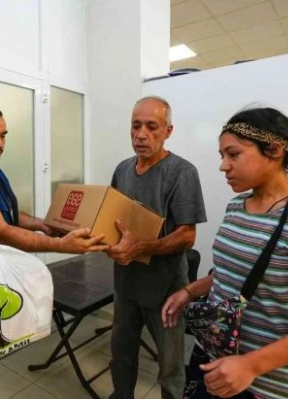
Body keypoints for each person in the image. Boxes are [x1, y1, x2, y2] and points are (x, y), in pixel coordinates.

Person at [161, 107, 288, 399]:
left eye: (233, 154)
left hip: (273, 385)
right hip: (215, 362)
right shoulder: (236, 206)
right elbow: (230, 273)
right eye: (221, 156)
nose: (223, 166)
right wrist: (190, 291)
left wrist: (251, 365)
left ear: (274, 150)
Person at [0, 104, 108, 399]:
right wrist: (61, 245)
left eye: (3, 135)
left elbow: (10, 216)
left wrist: (44, 224)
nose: (0, 143)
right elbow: (1, 231)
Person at [105, 96, 207, 399]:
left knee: (170, 366)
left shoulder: (182, 173)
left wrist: (141, 247)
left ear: (168, 131)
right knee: (121, 353)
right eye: (136, 126)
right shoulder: (123, 170)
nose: (141, 134)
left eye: (151, 127)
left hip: (166, 290)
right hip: (125, 284)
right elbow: (112, 219)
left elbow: (187, 237)